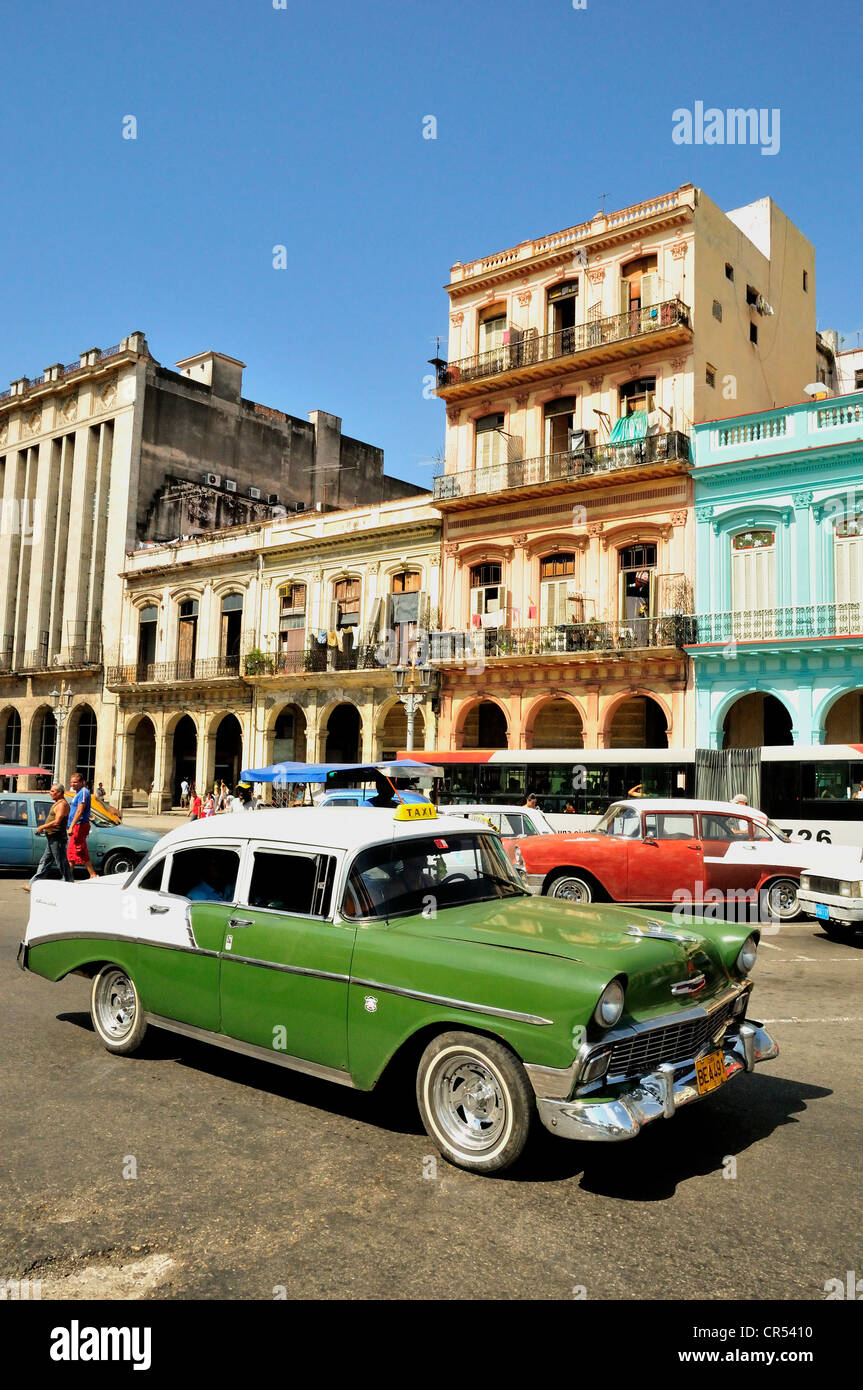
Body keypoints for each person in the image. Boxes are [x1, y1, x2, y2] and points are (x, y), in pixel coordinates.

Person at [24, 784, 73, 891]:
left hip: (57, 838)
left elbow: (57, 822)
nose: (50, 793)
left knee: (61, 862)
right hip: (52, 838)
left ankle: (69, 883)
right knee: (45, 861)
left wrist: (43, 826)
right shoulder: (57, 803)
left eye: (52, 791)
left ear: (59, 792)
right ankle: (33, 885)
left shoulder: (62, 805)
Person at [67, 773, 97, 881]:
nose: (72, 784)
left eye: (75, 782)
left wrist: (72, 826)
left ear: (81, 782)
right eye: (71, 782)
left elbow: (80, 810)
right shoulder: (78, 793)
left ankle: (68, 878)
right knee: (79, 850)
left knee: (72, 850)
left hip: (79, 826)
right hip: (77, 826)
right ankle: (92, 874)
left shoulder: (83, 792)